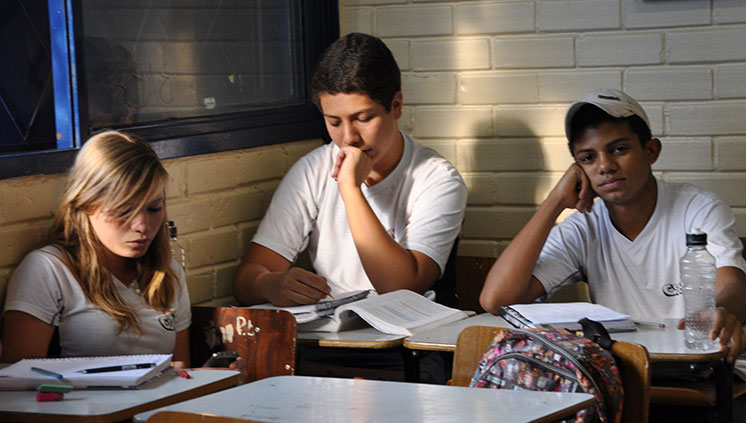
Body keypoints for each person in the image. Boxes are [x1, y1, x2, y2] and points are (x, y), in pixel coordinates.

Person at [479, 88, 746, 364]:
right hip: (622, 372)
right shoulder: (584, 226)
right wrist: (555, 202)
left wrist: (720, 310)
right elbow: (496, 299)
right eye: (588, 158)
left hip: (697, 365)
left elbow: (733, 284)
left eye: (619, 149)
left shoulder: (698, 207)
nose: (605, 166)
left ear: (651, 150)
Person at [233, 33, 467, 307]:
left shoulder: (437, 178)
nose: (349, 138)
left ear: (396, 106)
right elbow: (246, 280)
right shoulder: (312, 170)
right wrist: (270, 284)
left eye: (363, 119)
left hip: (409, 338)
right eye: (333, 122)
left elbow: (402, 288)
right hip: (332, 334)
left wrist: (350, 189)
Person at [0, 132, 236, 375]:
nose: (143, 226)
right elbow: (19, 383)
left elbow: (181, 374)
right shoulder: (49, 269)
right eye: (124, 211)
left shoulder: (167, 274)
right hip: (87, 412)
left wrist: (211, 378)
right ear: (86, 203)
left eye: (154, 208)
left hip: (155, 412)